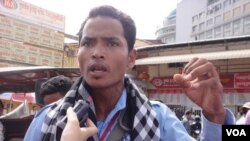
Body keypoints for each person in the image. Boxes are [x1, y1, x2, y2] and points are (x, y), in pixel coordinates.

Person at [24, 5, 235, 141]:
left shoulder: (159, 118)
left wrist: (216, 116)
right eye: (87, 43)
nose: (97, 53)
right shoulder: (46, 119)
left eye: (112, 43)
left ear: (131, 58)